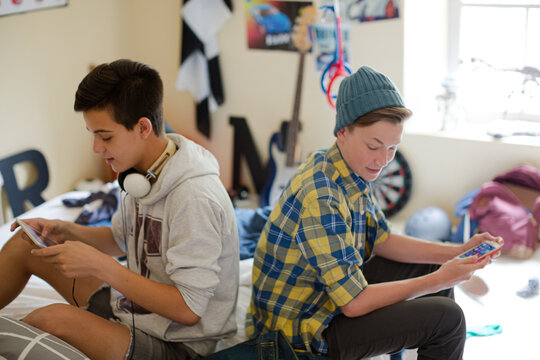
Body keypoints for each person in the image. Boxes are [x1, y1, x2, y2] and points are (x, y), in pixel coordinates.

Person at [246, 66, 503, 359]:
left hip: (326, 299)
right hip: (300, 331)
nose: (382, 161)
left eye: (392, 148)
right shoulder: (320, 195)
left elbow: (382, 240)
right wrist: (440, 279)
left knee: (434, 274)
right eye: (374, 146)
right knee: (448, 317)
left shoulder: (350, 168)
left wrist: (455, 251)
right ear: (342, 131)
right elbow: (353, 303)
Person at [0, 59, 239, 360]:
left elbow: (188, 309)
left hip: (180, 346)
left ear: (142, 127)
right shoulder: (140, 176)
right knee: (25, 245)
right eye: (93, 134)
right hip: (133, 312)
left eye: (106, 136)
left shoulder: (194, 198)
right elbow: (120, 238)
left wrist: (102, 267)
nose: (96, 148)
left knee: (51, 319)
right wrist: (66, 230)